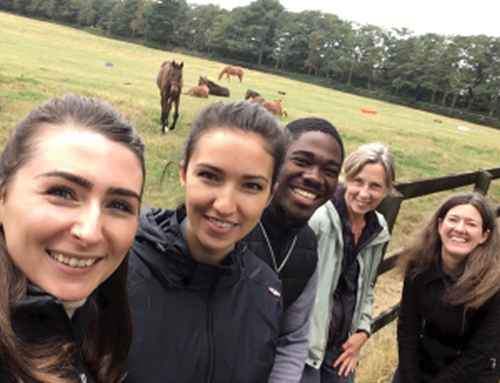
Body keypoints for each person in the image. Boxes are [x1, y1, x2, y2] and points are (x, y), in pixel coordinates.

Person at [126, 101, 287, 383]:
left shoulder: (265, 292)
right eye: (210, 176)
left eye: (251, 186)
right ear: (183, 173)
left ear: (270, 195)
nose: (225, 205)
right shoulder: (117, 269)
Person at [0, 94, 145, 383]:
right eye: (62, 193)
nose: (90, 232)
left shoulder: (98, 323)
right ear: (3, 198)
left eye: (119, 205)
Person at [245, 117, 345, 383]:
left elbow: (292, 338)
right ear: (275, 161)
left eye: (330, 170)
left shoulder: (308, 247)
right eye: (301, 161)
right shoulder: (234, 222)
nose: (314, 177)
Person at [303, 142, 396, 383]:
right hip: (305, 346)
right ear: (347, 178)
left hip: (342, 348)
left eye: (375, 186)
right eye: (358, 181)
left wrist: (364, 330)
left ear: (387, 190)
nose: (364, 193)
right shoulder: (318, 221)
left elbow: (366, 288)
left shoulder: (377, 229)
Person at [394, 192, 500, 383]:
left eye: (471, 224)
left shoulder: (494, 283)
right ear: (440, 225)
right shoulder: (418, 266)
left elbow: (481, 352)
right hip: (422, 364)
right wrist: (410, 378)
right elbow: (407, 328)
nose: (460, 229)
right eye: (453, 220)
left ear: (484, 235)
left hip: (470, 374)